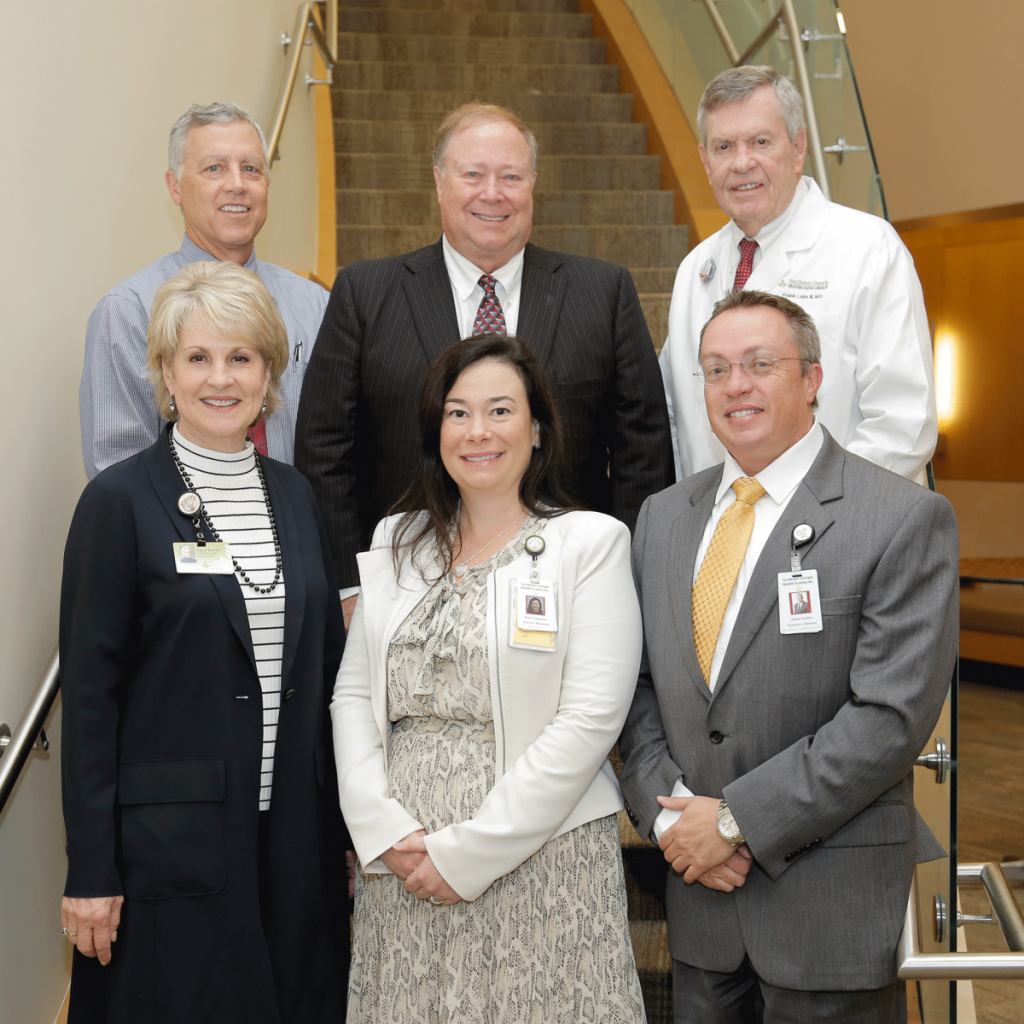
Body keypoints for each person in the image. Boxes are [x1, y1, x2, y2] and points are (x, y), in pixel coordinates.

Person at [619, 289, 958, 1022]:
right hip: (703, 912)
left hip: (828, 915)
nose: (735, 384)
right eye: (714, 369)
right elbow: (637, 690)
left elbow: (889, 721)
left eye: (759, 363)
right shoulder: (661, 519)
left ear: (812, 378)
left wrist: (735, 821)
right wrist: (675, 824)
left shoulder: (900, 518)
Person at [60, 261, 348, 1023]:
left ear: (269, 372)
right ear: (164, 372)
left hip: (291, 841)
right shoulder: (117, 503)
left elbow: (327, 680)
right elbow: (90, 702)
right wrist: (91, 869)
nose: (221, 378)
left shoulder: (296, 495)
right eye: (198, 358)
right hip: (170, 854)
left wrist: (345, 834)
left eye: (241, 357)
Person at [332, 334, 647, 1021]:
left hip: (541, 860)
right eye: (458, 412)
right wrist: (379, 830)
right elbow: (354, 693)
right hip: (403, 863)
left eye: (501, 411)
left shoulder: (588, 545)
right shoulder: (396, 542)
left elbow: (590, 719)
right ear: (435, 430)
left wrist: (468, 854)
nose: (478, 431)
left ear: (537, 429)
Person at [295, 102, 674, 627]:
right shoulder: (364, 292)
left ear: (533, 184)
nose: (492, 193)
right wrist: (349, 585)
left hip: (566, 594)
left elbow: (643, 455)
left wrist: (626, 584)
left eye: (510, 176)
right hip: (403, 592)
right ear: (439, 182)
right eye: (472, 174)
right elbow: (324, 451)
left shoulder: (603, 292)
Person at [661, 66, 937, 483]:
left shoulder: (869, 248)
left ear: (798, 146)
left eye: (760, 142)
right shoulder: (694, 271)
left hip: (837, 529)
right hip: (721, 532)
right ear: (705, 159)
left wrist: (804, 510)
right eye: (723, 146)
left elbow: (903, 423)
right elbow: (673, 417)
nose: (741, 163)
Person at [80, 101, 328, 478]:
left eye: (251, 169)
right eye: (214, 168)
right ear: (175, 187)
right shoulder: (129, 311)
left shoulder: (316, 305)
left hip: (295, 529)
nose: (237, 184)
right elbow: (116, 470)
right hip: (178, 532)